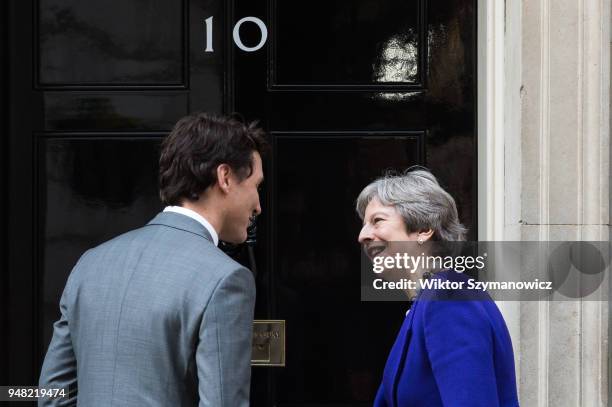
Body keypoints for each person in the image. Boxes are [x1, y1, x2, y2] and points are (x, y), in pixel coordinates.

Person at [38, 112, 267, 406]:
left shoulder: (90, 264)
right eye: (256, 186)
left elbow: (51, 394)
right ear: (225, 177)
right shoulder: (226, 280)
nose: (258, 205)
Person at [356, 169, 519, 407]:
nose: (363, 236)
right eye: (364, 224)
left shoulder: (448, 298)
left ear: (423, 229)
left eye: (377, 221)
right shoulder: (426, 303)